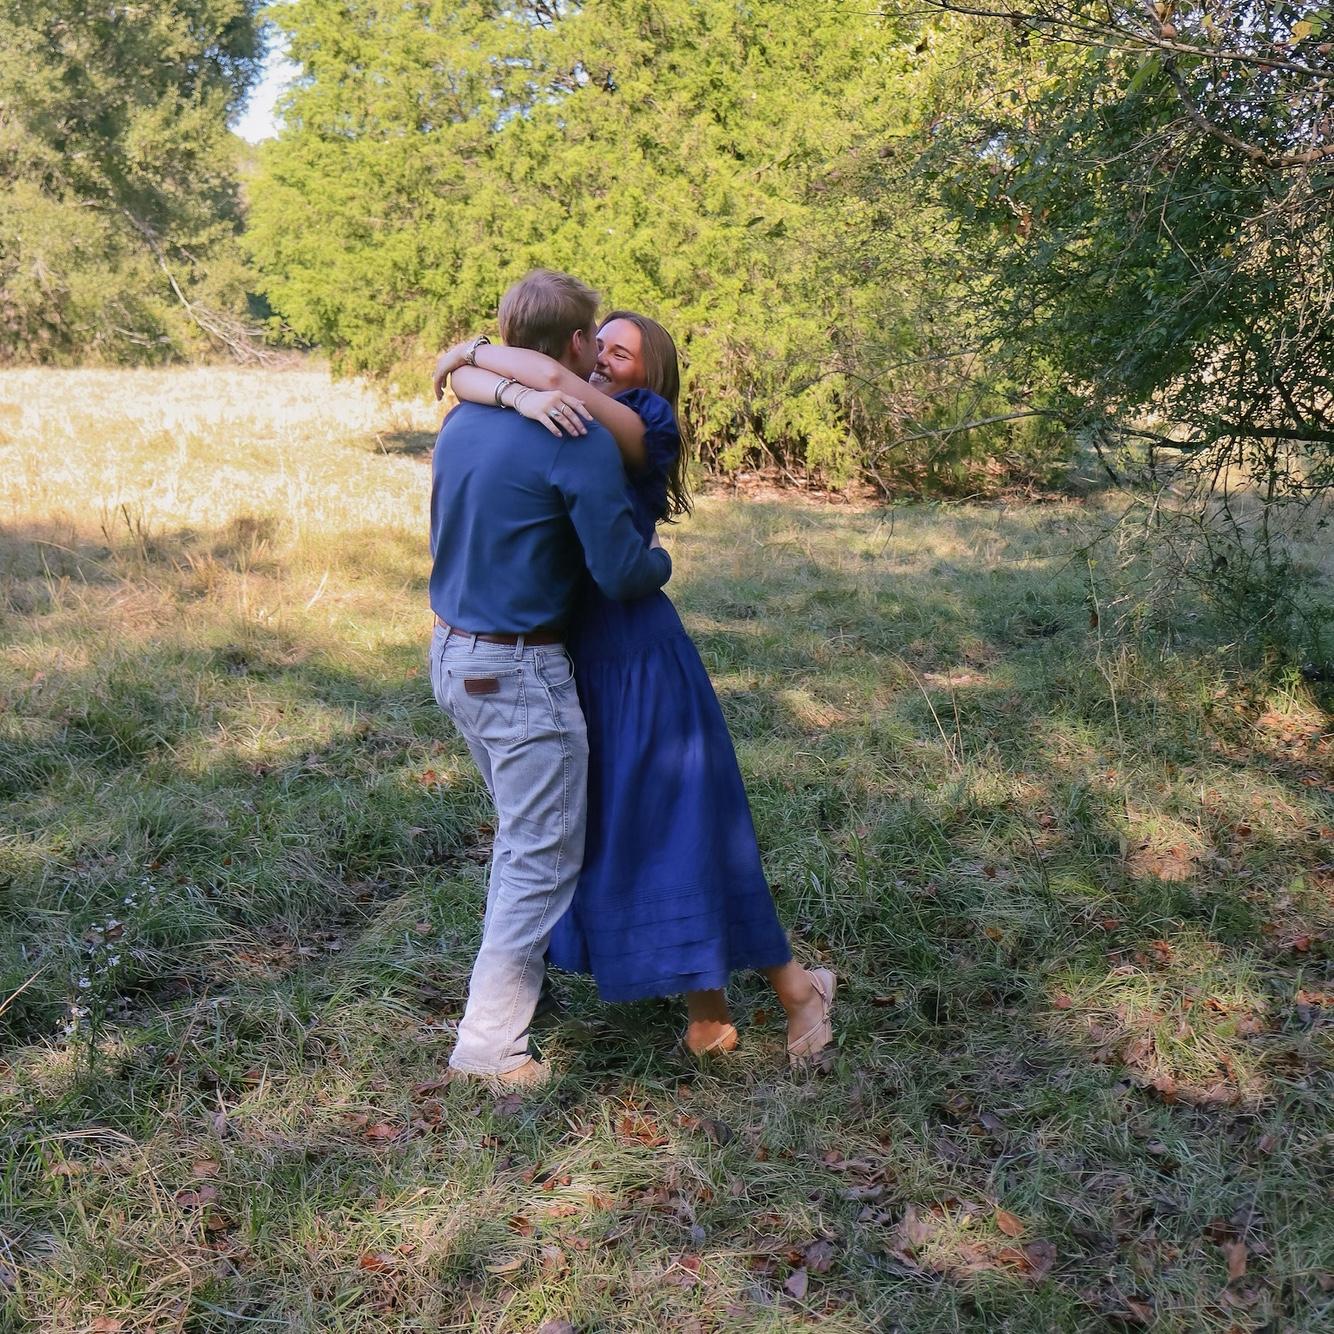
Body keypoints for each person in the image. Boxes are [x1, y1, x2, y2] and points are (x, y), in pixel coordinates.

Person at [433, 301, 836, 1063]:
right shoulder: (563, 414)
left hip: (637, 656)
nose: (604, 361)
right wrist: (482, 373)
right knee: (631, 829)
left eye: (623, 353)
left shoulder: (641, 422)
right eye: (601, 346)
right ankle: (710, 1014)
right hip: (575, 657)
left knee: (680, 825)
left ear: (652, 375)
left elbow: (546, 377)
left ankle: (797, 990)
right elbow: (490, 386)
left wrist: (473, 352)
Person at [428, 270, 673, 1090]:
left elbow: (463, 375)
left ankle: (518, 995)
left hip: (452, 655)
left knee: (521, 834)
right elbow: (620, 573)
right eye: (593, 337)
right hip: (517, 669)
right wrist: (662, 561)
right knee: (539, 855)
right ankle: (490, 1049)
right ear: (575, 342)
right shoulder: (576, 436)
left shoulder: (464, 417)